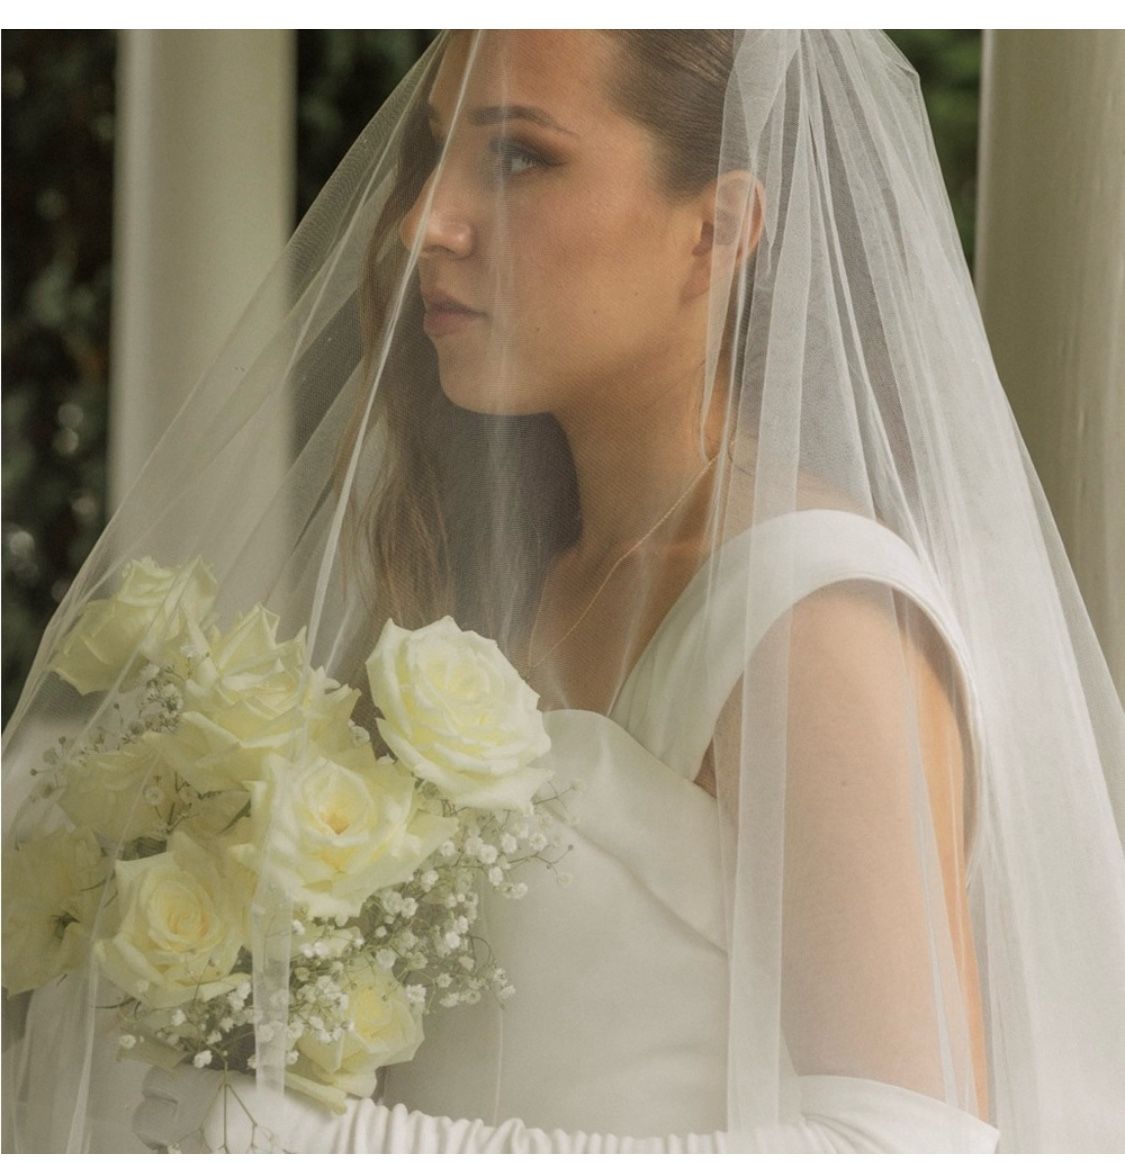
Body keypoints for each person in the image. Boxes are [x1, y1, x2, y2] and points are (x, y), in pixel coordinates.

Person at [4, 29, 1124, 1153]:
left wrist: (349, 1145)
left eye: (521, 158)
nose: (423, 223)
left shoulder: (812, 621)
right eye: (438, 151)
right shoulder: (505, 574)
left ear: (720, 229)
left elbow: (907, 1143)